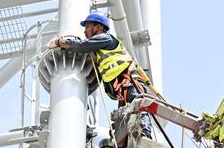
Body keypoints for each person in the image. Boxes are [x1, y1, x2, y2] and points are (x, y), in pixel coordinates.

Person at [54, 11, 154, 139]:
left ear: (99, 27)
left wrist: (60, 42)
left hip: (129, 82)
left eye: (88, 27)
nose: (85, 31)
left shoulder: (105, 38)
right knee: (124, 122)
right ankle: (130, 146)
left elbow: (82, 46)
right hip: (122, 89)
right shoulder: (98, 50)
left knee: (138, 107)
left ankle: (145, 137)